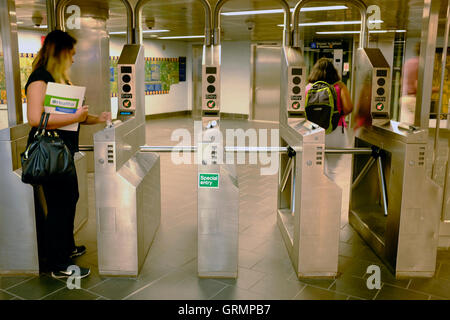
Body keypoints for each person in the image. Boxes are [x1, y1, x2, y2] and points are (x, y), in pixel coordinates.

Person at [25, 30, 111, 279]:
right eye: (71, 54)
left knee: (69, 199)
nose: (73, 60)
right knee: (59, 206)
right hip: (50, 154)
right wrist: (76, 116)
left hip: (63, 152)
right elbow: (35, 118)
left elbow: (74, 119)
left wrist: (97, 119)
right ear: (60, 53)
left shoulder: (59, 80)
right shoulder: (39, 80)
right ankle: (58, 263)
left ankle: (66, 247)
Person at [305, 57, 354, 182]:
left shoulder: (308, 87)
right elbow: (349, 107)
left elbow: (302, 110)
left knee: (315, 167)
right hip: (336, 130)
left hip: (313, 131)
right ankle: (329, 194)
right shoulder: (340, 86)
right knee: (332, 170)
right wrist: (337, 115)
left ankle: (316, 192)